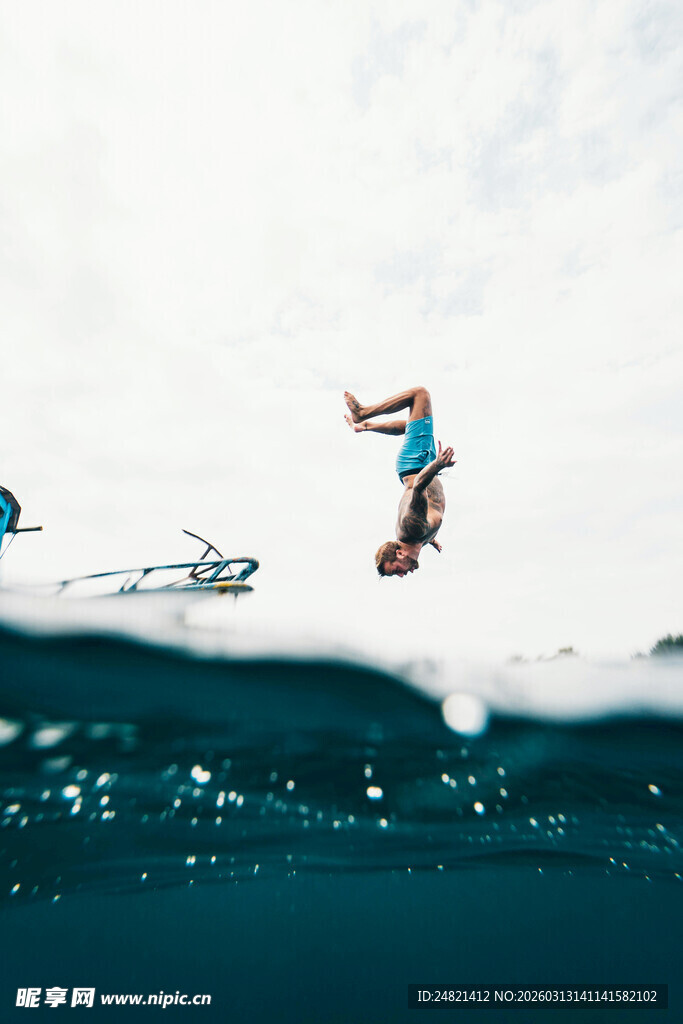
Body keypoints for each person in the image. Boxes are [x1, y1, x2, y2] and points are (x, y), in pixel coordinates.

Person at [344, 386, 456, 577]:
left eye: (396, 570)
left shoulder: (413, 529)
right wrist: (431, 539)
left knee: (420, 395)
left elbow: (420, 485)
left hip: (418, 463)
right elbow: (422, 516)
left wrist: (438, 465)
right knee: (411, 426)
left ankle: (362, 413)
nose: (403, 574)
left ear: (399, 553)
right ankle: (363, 426)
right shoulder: (416, 537)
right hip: (418, 464)